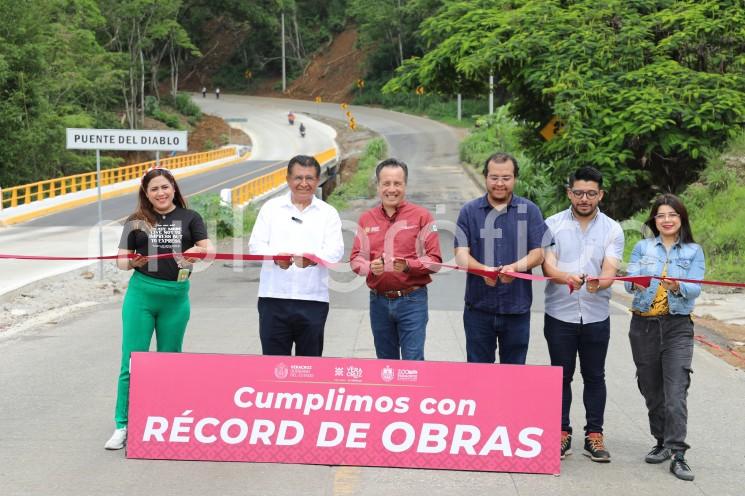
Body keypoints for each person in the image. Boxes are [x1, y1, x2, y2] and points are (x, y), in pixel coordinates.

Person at [105, 167, 213, 450]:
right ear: (146, 194)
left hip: (176, 298)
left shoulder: (190, 218)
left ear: (174, 188)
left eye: (165, 187)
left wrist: (198, 252)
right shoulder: (136, 221)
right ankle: (123, 425)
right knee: (132, 362)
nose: (160, 193)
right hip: (141, 296)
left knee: (170, 361)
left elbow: (208, 249)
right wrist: (134, 262)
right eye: (154, 189)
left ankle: (167, 421)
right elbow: (120, 261)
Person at [541, 166, 624, 463]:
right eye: (578, 193)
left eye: (591, 193)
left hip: (596, 314)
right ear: (569, 193)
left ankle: (594, 435)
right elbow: (547, 266)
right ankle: (561, 432)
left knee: (594, 375)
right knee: (560, 376)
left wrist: (599, 282)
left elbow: (611, 269)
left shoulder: (613, 229)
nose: (584, 198)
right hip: (559, 314)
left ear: (600, 194)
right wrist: (565, 277)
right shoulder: (551, 224)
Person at [626, 194, 704, 482]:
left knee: (676, 392)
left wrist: (677, 286)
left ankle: (677, 453)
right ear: (654, 220)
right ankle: (660, 441)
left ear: (681, 219)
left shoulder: (694, 251)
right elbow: (631, 283)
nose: (667, 220)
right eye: (661, 215)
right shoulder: (642, 247)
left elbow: (696, 288)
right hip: (643, 325)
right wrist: (634, 282)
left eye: (673, 215)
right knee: (651, 389)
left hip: (677, 327)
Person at [454, 152, 546, 365]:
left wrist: (515, 268)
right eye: (494, 177)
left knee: (514, 379)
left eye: (506, 178)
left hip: (517, 310)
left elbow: (538, 254)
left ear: (515, 178)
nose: (500, 183)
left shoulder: (530, 211)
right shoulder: (469, 212)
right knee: (478, 377)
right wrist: (483, 270)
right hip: (478, 309)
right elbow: (461, 255)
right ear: (485, 177)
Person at [248, 155, 344, 356]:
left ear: (317, 180)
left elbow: (335, 252)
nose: (303, 183)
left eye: (309, 178)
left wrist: (312, 258)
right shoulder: (271, 209)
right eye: (298, 178)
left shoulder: (328, 213)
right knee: (273, 366)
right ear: (288, 179)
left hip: (313, 300)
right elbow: (255, 246)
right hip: (273, 298)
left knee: (309, 367)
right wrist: (276, 256)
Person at [350, 158, 442, 360]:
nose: (392, 189)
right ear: (378, 186)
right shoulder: (366, 219)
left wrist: (409, 266)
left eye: (397, 183)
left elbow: (434, 260)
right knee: (385, 365)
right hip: (379, 302)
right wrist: (369, 267)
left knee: (413, 363)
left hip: (412, 301)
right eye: (386, 183)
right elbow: (356, 259)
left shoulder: (422, 216)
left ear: (405, 185)